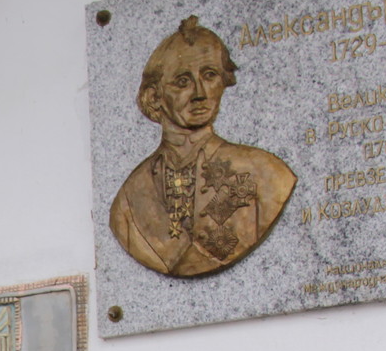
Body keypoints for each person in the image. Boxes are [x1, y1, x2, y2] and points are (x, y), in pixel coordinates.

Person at [108, 15, 297, 277]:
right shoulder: (127, 199)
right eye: (182, 81)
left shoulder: (267, 174)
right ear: (155, 96)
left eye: (209, 76)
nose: (200, 93)